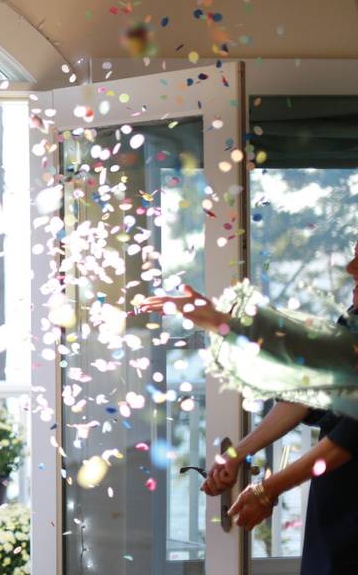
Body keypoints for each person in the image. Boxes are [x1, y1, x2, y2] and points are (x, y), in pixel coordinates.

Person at [139, 239, 358, 574]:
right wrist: (237, 454)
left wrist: (267, 491)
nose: (350, 269)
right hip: (335, 517)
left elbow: (348, 439)